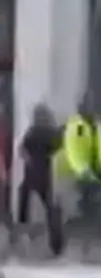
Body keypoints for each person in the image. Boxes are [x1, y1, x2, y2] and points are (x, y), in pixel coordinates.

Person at [56, 98, 101, 261]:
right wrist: (82, 171)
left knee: (92, 212)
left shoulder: (95, 126)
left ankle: (87, 247)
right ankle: (77, 247)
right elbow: (74, 150)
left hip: (93, 175)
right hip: (81, 175)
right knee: (81, 212)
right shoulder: (77, 127)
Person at [15, 103, 63, 256]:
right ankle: (56, 243)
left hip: (33, 173)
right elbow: (57, 148)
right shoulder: (49, 131)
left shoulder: (34, 131)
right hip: (42, 174)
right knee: (49, 207)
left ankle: (22, 230)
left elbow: (22, 149)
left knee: (25, 199)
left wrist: (28, 159)